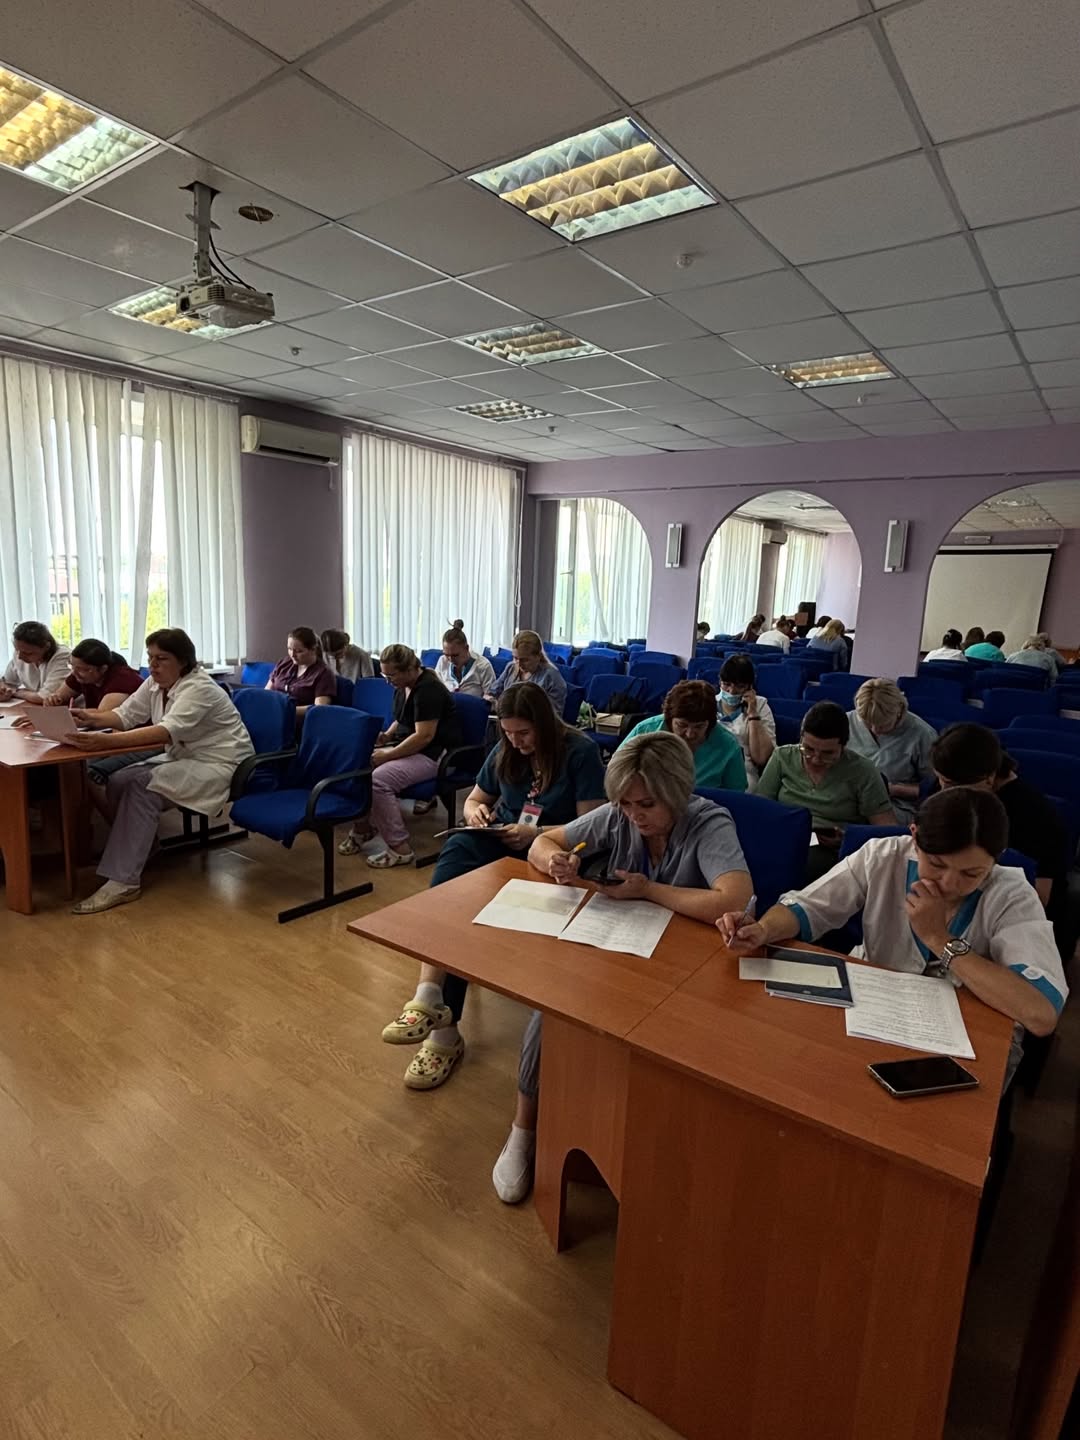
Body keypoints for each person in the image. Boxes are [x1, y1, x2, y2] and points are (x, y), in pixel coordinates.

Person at [495, 731, 753, 1203]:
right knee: (552, 1005)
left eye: (647, 805)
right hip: (621, 953)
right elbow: (543, 841)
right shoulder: (618, 814)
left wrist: (648, 890)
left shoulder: (708, 821)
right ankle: (524, 1129)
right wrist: (557, 862)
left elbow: (732, 898)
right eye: (626, 804)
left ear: (677, 792)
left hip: (686, 972)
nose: (634, 815)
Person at [719, 788, 1066, 1077]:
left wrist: (939, 939)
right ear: (914, 836)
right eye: (937, 864)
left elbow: (1040, 1014)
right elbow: (808, 907)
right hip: (873, 1009)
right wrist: (763, 929)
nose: (949, 883)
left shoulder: (1012, 896)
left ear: (996, 859)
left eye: (971, 873)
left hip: (964, 1038)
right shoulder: (883, 856)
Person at [379, 686, 606, 1090]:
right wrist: (476, 812)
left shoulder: (580, 751)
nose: (516, 742)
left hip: (549, 851)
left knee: (465, 909)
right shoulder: (506, 749)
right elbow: (474, 800)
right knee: (453, 886)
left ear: (544, 725)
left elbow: (591, 825)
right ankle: (430, 998)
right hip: (502, 839)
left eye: (524, 734)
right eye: (509, 733)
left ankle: (441, 1027)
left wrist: (536, 831)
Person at [63, 628, 254, 914]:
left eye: (161, 658)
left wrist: (106, 742)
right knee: (119, 779)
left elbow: (164, 732)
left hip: (221, 764)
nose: (152, 665)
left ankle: (124, 882)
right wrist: (88, 718)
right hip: (185, 758)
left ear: (183, 661)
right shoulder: (155, 683)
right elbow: (126, 715)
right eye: (150, 657)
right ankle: (143, 846)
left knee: (142, 787)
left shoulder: (199, 689)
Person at [338, 644, 460, 868]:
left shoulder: (429, 690)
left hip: (434, 755)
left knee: (378, 780)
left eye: (391, 675)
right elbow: (402, 719)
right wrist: (387, 736)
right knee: (355, 766)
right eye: (385, 675)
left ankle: (399, 848)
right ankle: (363, 828)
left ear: (409, 669)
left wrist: (388, 756)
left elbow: (424, 736)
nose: (387, 680)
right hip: (412, 748)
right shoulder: (403, 685)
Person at [930, 723, 1067, 915]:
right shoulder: (951, 782)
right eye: (940, 779)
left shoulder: (1037, 818)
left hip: (1010, 909)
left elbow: (1039, 899)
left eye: (949, 784)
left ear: (988, 778)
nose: (942, 790)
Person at [756, 700, 895, 878]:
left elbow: (886, 830)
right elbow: (760, 808)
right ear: (800, 738)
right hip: (784, 836)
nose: (815, 759)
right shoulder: (782, 757)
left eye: (827, 754)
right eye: (808, 749)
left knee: (801, 865)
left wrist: (848, 839)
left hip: (831, 849)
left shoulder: (862, 771)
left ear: (843, 747)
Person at [621, 680, 746, 791]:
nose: (690, 734)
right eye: (682, 725)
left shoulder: (727, 745)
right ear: (669, 719)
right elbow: (617, 773)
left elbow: (735, 795)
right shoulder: (645, 730)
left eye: (699, 726)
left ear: (710, 724)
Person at [847, 679, 936, 824]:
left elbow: (934, 789)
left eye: (883, 724)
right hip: (847, 795)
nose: (875, 730)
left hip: (896, 804)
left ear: (899, 710)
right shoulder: (846, 722)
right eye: (867, 723)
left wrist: (893, 789)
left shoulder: (922, 735)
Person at [715, 655, 776, 790]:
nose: (732, 691)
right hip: (713, 765)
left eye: (740, 686)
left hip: (744, 771)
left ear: (750, 687)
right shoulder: (709, 703)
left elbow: (761, 758)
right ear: (720, 682)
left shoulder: (760, 705)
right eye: (726, 684)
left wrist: (752, 713)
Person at [40, 638, 143, 710]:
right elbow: (59, 697)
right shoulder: (80, 675)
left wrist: (72, 714)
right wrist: (52, 700)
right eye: (72, 666)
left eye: (82, 669)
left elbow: (102, 715)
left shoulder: (122, 680)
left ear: (103, 669)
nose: (74, 673)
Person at [486, 630, 567, 715]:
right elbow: (492, 693)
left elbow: (553, 715)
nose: (519, 664)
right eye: (515, 658)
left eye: (525, 660)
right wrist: (490, 699)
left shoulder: (551, 677)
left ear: (538, 656)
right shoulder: (511, 667)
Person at [266, 627, 337, 715]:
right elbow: (267, 692)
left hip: (295, 719)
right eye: (289, 649)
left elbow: (319, 708)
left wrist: (286, 711)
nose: (292, 655)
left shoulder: (324, 673)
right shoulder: (285, 663)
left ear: (313, 650)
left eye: (299, 651)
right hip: (273, 714)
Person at [0, 621, 71, 702]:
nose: (19, 657)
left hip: (66, 707)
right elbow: (7, 683)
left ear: (47, 647)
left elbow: (46, 697)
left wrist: (17, 692)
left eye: (28, 653)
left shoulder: (63, 656)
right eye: (17, 650)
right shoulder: (20, 652)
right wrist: (4, 691)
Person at [434, 622, 496, 698]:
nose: (450, 659)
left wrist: (489, 697)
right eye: (447, 655)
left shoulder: (483, 666)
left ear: (466, 648)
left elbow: (490, 696)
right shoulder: (442, 661)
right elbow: (435, 688)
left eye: (455, 655)